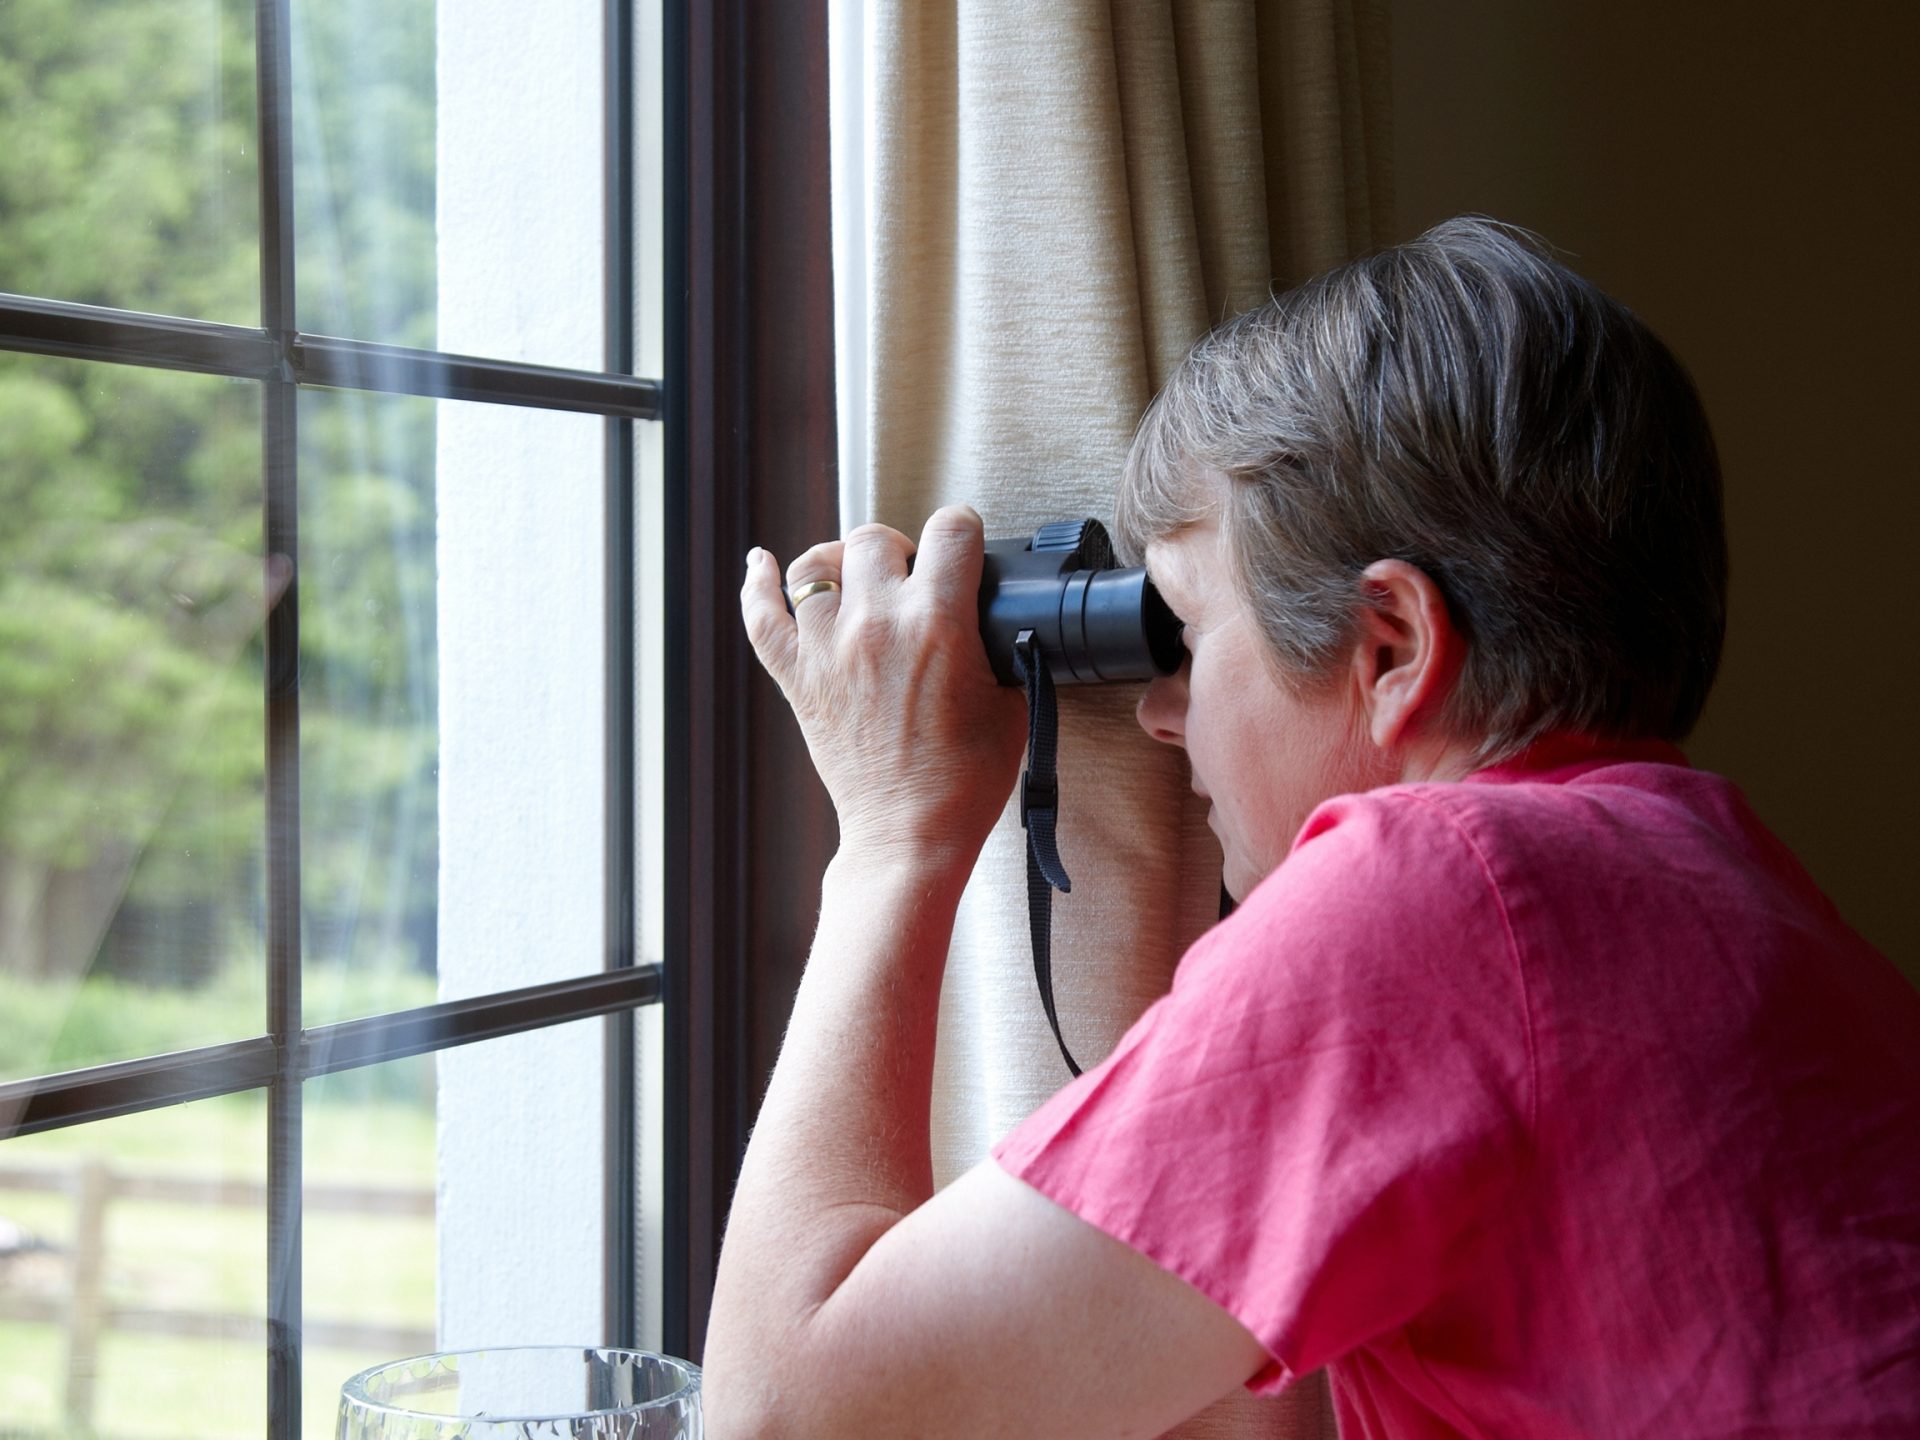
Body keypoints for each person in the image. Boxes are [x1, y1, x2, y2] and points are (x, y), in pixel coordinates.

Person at [708, 217, 1920, 1438]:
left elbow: (788, 1416)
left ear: (1389, 646)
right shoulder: (1727, 884)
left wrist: (893, 835)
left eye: (1187, 627)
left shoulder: (1441, 896)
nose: (1160, 712)